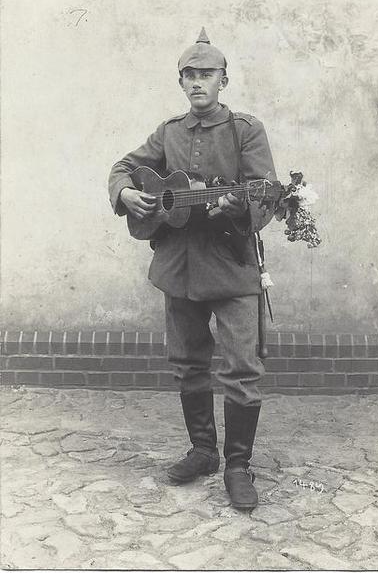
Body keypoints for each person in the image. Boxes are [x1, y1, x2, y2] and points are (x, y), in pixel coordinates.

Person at [108, 28, 277, 509]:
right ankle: (203, 451)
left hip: (232, 266)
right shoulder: (168, 133)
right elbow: (124, 166)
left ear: (224, 79)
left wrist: (237, 207)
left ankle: (238, 465)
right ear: (180, 81)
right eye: (190, 75)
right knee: (187, 364)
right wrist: (124, 192)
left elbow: (264, 192)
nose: (198, 82)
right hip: (178, 266)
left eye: (207, 74)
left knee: (242, 368)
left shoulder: (246, 129)